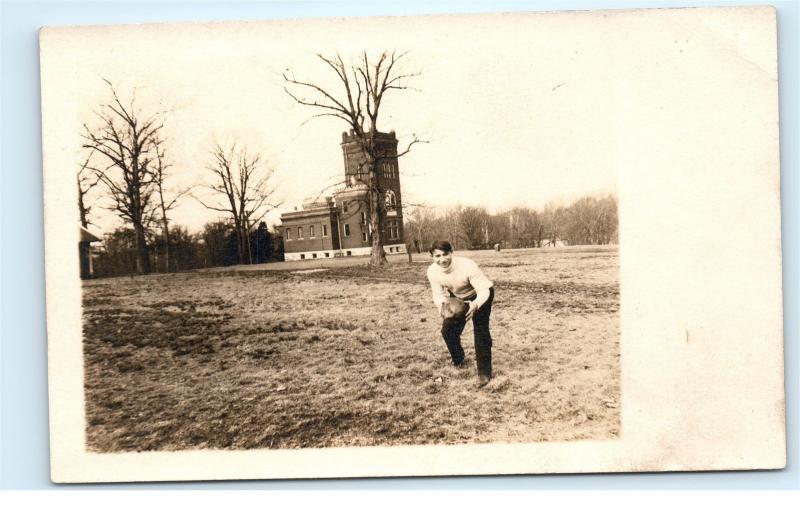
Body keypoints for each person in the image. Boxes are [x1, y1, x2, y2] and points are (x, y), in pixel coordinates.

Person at [426, 240, 495, 387]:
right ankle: (459, 359)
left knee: (481, 331)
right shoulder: (432, 271)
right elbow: (437, 294)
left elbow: (484, 290)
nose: (442, 259)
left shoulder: (466, 265)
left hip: (480, 295)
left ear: (452, 252)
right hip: (458, 299)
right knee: (447, 331)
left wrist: (475, 304)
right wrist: (442, 308)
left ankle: (484, 373)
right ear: (431, 256)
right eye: (437, 256)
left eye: (445, 254)